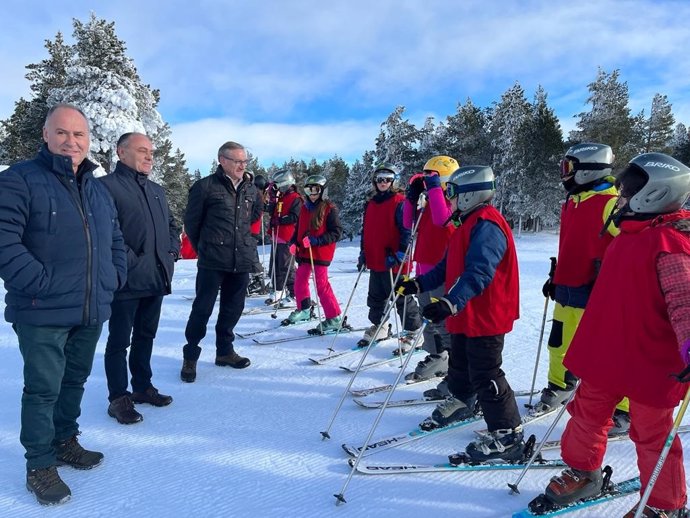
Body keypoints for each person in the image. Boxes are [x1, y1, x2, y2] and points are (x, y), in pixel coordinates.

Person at [539, 153, 690, 518]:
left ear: (652, 194)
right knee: (586, 413)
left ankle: (664, 505)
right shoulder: (627, 235)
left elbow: (684, 301)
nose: (619, 197)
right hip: (607, 352)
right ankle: (583, 471)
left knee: (652, 434)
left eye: (627, 191)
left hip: (651, 361)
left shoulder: (670, 245)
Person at [0, 103, 127, 505]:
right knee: (42, 389)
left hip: (90, 308)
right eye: (62, 133)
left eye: (79, 135)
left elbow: (115, 239)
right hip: (42, 309)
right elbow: (5, 242)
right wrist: (42, 282)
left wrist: (113, 277)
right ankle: (39, 464)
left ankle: (64, 441)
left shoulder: (96, 187)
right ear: (45, 134)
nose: (71, 142)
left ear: (88, 141)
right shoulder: (19, 180)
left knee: (74, 380)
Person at [396, 165, 523, 462]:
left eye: (451, 192)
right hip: (467, 312)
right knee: (461, 362)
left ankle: (507, 434)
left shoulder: (487, 225)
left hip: (487, 313)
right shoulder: (466, 223)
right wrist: (419, 283)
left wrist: (450, 302)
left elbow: (478, 272)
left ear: (470, 194)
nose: (448, 198)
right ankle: (463, 401)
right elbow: (446, 265)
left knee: (485, 371)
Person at [536, 143, 630, 434]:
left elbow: (631, 243)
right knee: (558, 345)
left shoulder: (610, 202)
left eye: (569, 168)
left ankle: (624, 409)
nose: (564, 175)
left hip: (596, 296)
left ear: (588, 171)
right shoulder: (572, 201)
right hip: (566, 289)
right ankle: (561, 384)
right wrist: (557, 275)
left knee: (607, 354)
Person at [99, 132, 180, 425]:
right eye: (142, 151)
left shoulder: (157, 190)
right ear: (121, 153)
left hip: (156, 278)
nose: (149, 157)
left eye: (152, 152)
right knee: (120, 341)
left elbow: (172, 226)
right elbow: (106, 233)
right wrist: (132, 262)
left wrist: (171, 252)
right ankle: (118, 397)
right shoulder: (105, 187)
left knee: (147, 336)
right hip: (126, 281)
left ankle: (143, 387)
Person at [180, 141, 261, 383]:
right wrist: (206, 247)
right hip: (212, 261)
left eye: (244, 161)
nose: (242, 165)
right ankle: (191, 356)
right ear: (222, 160)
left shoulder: (251, 190)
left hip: (241, 260)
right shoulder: (205, 187)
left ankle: (225, 352)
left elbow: (254, 216)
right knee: (202, 309)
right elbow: (192, 224)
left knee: (233, 308)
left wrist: (247, 242)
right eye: (237, 161)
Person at [402, 155, 458, 383]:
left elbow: (441, 220)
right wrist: (411, 196)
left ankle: (455, 363)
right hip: (423, 268)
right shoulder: (428, 202)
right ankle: (437, 356)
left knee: (444, 321)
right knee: (428, 317)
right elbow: (407, 223)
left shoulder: (453, 204)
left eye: (432, 176)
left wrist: (434, 188)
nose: (427, 181)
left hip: (442, 271)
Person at [359, 163, 422, 348]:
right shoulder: (371, 203)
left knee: (401, 296)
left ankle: (414, 332)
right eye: (380, 178)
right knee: (376, 296)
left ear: (393, 180)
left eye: (387, 178)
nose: (383, 182)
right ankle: (381, 326)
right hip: (376, 258)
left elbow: (406, 230)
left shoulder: (400, 202)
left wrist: (400, 253)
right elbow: (366, 230)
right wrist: (363, 253)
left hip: (394, 260)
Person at [285, 174, 344, 332]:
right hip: (304, 252)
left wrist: (317, 241)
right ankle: (304, 309)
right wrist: (293, 243)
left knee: (321, 285)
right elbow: (298, 229)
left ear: (323, 191)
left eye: (316, 190)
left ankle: (334, 318)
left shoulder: (329, 209)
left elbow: (337, 232)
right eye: (309, 189)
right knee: (300, 280)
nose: (312, 193)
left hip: (320, 253)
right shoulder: (304, 208)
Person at [265, 169, 302, 306]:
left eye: (279, 185)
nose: (277, 188)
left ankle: (295, 293)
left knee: (286, 267)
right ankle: (277, 291)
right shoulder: (281, 197)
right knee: (274, 266)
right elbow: (271, 211)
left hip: (288, 237)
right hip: (277, 236)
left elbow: (296, 217)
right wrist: (273, 199)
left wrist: (281, 220)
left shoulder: (296, 198)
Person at [246, 173, 269, 296]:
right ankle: (254, 280)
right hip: (249, 229)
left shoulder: (257, 195)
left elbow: (256, 213)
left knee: (251, 254)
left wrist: (245, 220)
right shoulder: (255, 193)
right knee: (249, 254)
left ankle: (258, 281)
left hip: (251, 230)